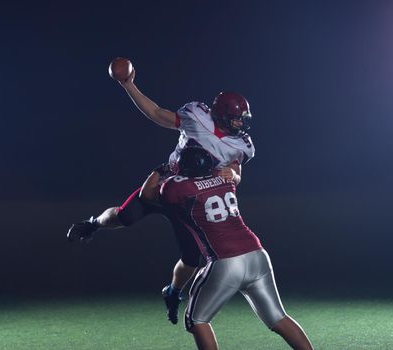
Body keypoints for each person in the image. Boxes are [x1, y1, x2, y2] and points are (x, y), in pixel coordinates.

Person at [67, 64, 255, 324]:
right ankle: (93, 223)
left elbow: (236, 174)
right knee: (125, 216)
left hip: (194, 200)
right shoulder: (196, 114)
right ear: (220, 115)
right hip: (166, 182)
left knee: (192, 258)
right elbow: (157, 113)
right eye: (236, 118)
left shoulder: (241, 145)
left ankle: (173, 292)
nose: (240, 124)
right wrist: (129, 85)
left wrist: (232, 176)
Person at [160, 147, 314, 350]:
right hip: (257, 254)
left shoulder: (178, 188)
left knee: (196, 320)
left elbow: (156, 191)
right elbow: (234, 164)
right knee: (278, 317)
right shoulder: (225, 178)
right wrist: (232, 171)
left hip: (225, 261)